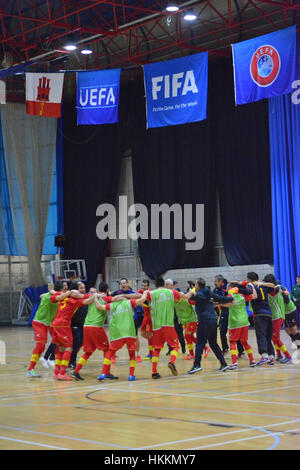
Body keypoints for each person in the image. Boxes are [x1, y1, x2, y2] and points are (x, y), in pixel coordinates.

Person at [71, 284, 124, 381]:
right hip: (96, 327)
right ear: (107, 290)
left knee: (88, 351)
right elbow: (117, 298)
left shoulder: (92, 296)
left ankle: (76, 371)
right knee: (107, 350)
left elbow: (78, 296)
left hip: (86, 326)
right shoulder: (105, 298)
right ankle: (106, 372)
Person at [96, 291, 148, 382]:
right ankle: (131, 375)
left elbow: (99, 306)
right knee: (132, 354)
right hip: (129, 334)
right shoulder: (128, 303)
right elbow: (142, 299)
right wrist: (146, 292)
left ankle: (103, 373)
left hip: (118, 334)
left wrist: (95, 298)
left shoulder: (112, 305)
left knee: (110, 353)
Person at [183, 279, 230, 375]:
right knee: (213, 344)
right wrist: (231, 298)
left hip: (204, 321)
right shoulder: (209, 293)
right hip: (213, 321)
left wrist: (191, 293)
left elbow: (193, 296)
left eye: (195, 284)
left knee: (200, 343)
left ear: (198, 285)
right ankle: (223, 364)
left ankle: (196, 365)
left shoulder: (200, 292)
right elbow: (220, 298)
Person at [50, 283, 95, 381]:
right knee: (69, 348)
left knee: (60, 348)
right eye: (78, 290)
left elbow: (52, 296)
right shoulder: (74, 301)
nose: (79, 292)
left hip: (55, 323)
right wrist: (96, 295)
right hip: (63, 324)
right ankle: (62, 373)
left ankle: (56, 372)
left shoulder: (63, 297)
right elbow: (87, 301)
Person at [140, 277, 182, 379]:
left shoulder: (152, 293)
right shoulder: (171, 292)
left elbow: (142, 299)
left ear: (155, 285)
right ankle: (171, 362)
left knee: (157, 348)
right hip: (168, 325)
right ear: (164, 284)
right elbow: (181, 298)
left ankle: (154, 371)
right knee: (175, 346)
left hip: (156, 326)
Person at [26, 282, 65, 378]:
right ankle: (30, 370)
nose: (66, 289)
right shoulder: (52, 297)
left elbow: (41, 295)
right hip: (40, 322)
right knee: (40, 345)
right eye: (65, 287)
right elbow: (47, 295)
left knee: (58, 340)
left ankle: (54, 362)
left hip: (49, 323)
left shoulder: (54, 295)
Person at [217, 283, 256, 370]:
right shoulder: (242, 295)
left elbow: (229, 304)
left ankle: (234, 363)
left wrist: (218, 304)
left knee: (232, 342)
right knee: (244, 342)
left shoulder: (230, 295)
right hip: (245, 322)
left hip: (235, 322)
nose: (226, 289)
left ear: (231, 287)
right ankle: (252, 360)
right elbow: (254, 296)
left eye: (227, 287)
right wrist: (252, 287)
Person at [242, 272, 277, 366]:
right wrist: (262, 283)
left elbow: (251, 295)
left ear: (249, 279)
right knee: (268, 337)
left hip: (259, 314)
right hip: (269, 314)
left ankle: (264, 356)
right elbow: (274, 286)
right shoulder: (263, 286)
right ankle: (271, 357)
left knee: (261, 335)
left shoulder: (251, 286)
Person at [263, 274, 292, 364]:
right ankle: (279, 355)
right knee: (273, 338)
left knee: (276, 338)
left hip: (277, 317)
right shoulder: (277, 288)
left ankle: (288, 356)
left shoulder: (274, 290)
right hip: (274, 316)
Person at [41, 280, 69, 368]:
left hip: (63, 321)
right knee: (57, 341)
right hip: (57, 321)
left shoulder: (66, 294)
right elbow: (41, 296)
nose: (66, 287)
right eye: (64, 285)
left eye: (66, 285)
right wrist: (52, 292)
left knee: (56, 341)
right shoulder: (58, 295)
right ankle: (50, 358)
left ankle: (47, 358)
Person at [69, 281, 89, 369]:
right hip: (73, 323)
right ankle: (71, 361)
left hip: (83, 324)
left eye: (84, 288)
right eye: (81, 288)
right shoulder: (72, 298)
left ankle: (71, 359)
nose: (83, 289)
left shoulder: (86, 298)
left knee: (80, 342)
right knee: (76, 342)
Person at [165, 279, 186, 355]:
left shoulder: (176, 292)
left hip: (176, 316)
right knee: (169, 334)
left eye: (167, 284)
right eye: (165, 284)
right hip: (167, 317)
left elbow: (182, 303)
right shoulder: (164, 293)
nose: (166, 286)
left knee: (179, 333)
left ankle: (183, 346)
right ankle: (170, 348)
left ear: (172, 285)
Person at [174, 295, 198, 360]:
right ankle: (205, 347)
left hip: (192, 320)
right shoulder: (174, 303)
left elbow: (195, 305)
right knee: (190, 337)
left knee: (187, 336)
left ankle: (192, 354)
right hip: (186, 322)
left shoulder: (185, 300)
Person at [138, 279, 154, 361]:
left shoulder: (150, 293)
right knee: (145, 334)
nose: (143, 287)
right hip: (146, 316)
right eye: (142, 285)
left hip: (150, 317)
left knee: (149, 335)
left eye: (145, 286)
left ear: (148, 286)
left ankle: (151, 353)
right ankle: (153, 348)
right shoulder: (141, 291)